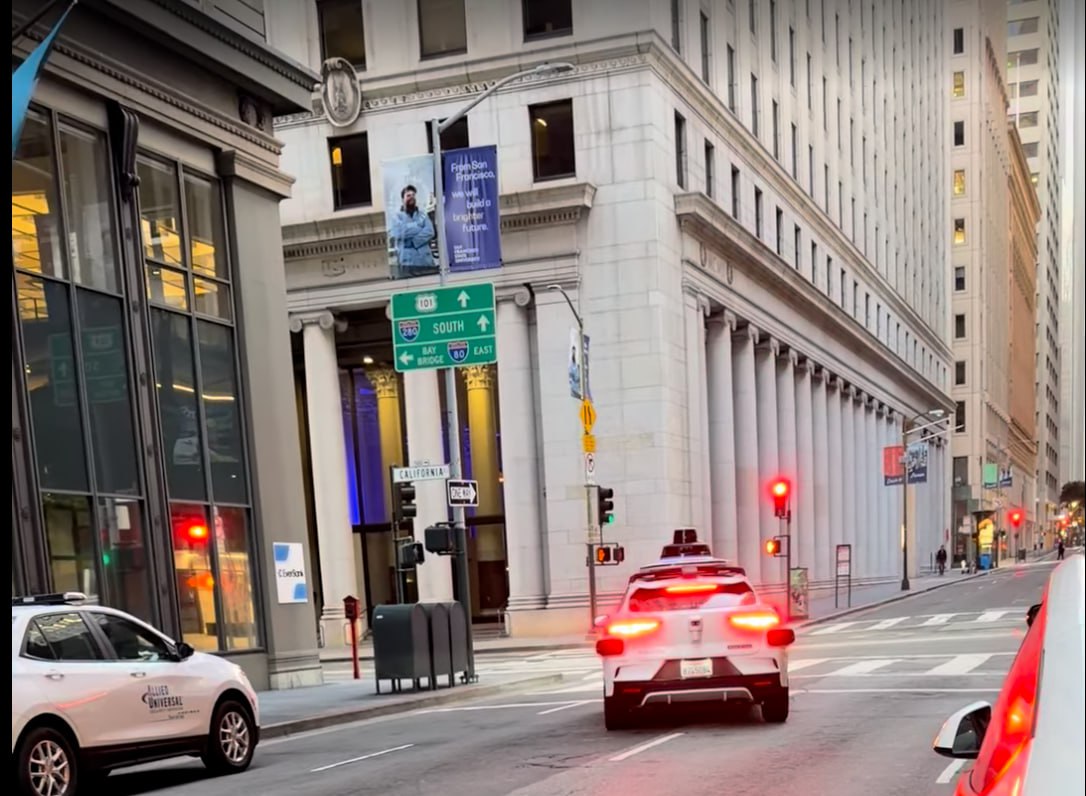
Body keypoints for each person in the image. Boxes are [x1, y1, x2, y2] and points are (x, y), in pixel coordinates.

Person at [390, 184, 435, 269]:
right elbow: (398, 233)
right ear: (402, 199)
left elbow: (430, 231)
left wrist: (414, 241)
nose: (412, 197)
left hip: (426, 262)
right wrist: (420, 229)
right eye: (408, 195)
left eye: (413, 195)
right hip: (408, 264)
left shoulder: (423, 215)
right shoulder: (396, 217)